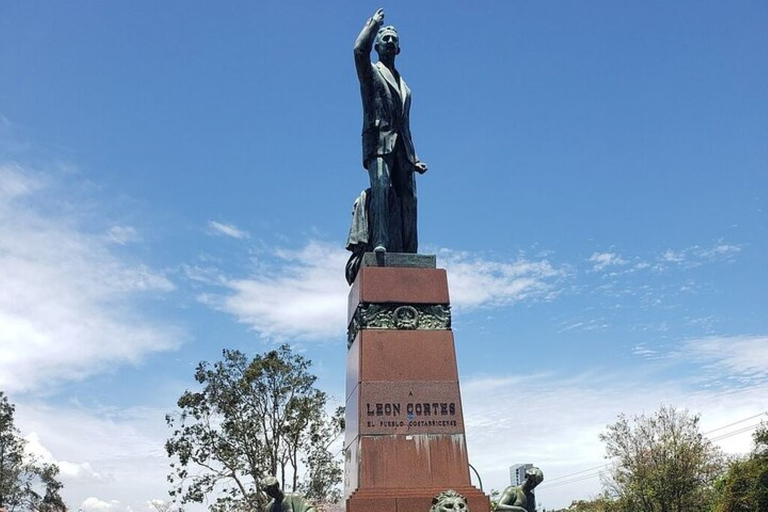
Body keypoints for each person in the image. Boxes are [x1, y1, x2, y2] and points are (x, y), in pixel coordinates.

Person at [354, 8, 428, 254]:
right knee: (382, 189)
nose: (389, 41)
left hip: (403, 150)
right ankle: (380, 242)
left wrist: (414, 158)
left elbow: (405, 125)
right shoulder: (371, 73)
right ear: (377, 45)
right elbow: (358, 51)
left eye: (394, 39)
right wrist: (373, 24)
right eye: (385, 38)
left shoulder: (406, 87)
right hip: (378, 143)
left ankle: (410, 250)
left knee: (410, 198)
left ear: (398, 49)